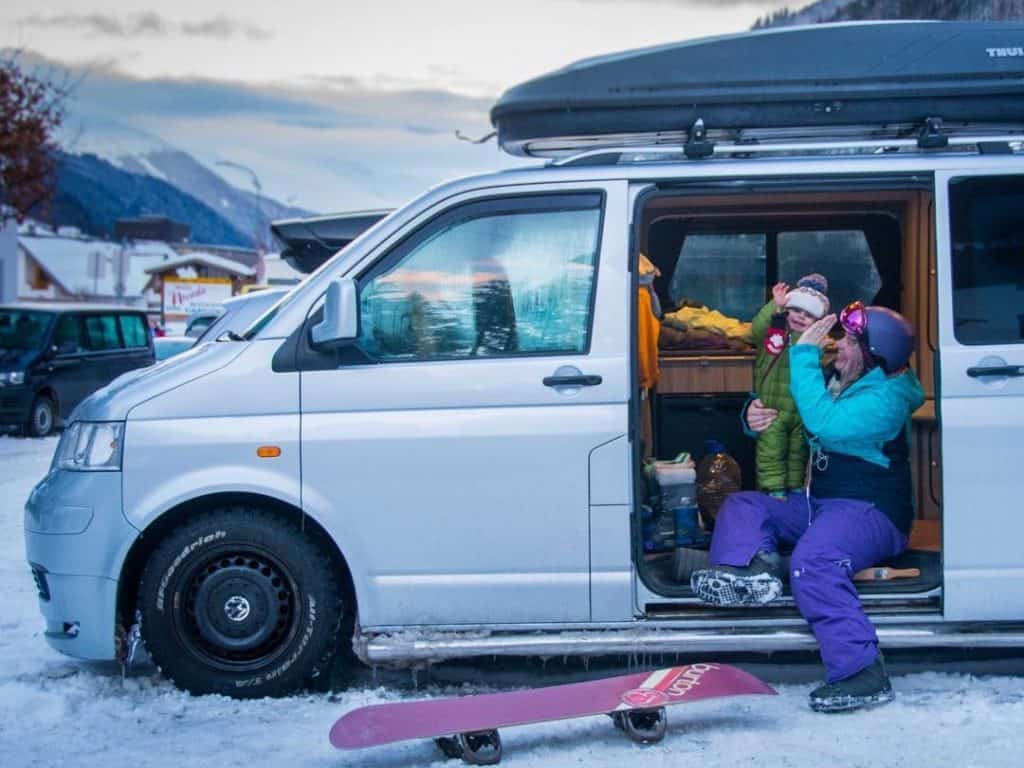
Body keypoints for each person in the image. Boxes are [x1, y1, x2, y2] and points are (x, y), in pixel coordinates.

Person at [690, 301, 924, 713]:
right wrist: (752, 414)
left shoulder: (887, 397)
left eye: (851, 342)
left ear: (875, 356)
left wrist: (803, 353)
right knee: (744, 505)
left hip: (870, 511)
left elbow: (824, 424)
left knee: (813, 562)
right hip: (824, 504)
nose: (840, 347)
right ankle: (750, 574)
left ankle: (861, 673)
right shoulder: (845, 380)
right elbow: (792, 404)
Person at [747, 275, 831, 497]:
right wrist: (776, 305)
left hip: (799, 411)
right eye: (796, 310)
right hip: (771, 410)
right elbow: (755, 329)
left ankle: (795, 489)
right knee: (771, 452)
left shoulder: (816, 345)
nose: (801, 317)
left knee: (797, 453)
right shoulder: (774, 334)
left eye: (809, 315)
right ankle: (773, 490)